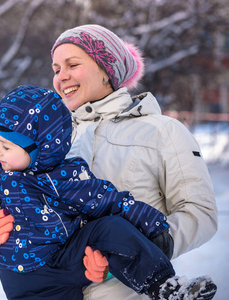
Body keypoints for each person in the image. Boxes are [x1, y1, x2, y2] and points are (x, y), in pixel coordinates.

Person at [0, 84, 217, 300]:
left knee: (110, 226)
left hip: (65, 260)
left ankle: (164, 286)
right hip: (21, 278)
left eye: (7, 145)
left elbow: (111, 200)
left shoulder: (66, 176)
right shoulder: (1, 171)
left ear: (40, 148)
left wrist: (152, 227)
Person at [50, 24, 218, 299]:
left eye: (72, 64)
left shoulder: (162, 131)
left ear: (106, 70)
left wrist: (138, 248)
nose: (61, 77)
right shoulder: (53, 139)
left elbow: (200, 212)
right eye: (57, 69)